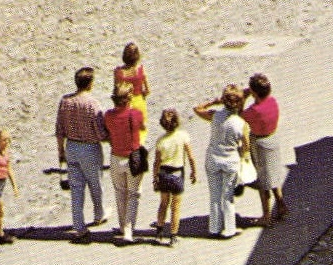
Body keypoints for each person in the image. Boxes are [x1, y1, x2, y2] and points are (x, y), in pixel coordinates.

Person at [57, 66, 109, 240]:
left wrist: (61, 152)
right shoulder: (92, 103)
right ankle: (98, 214)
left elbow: (59, 129)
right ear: (90, 83)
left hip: (71, 146)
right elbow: (100, 131)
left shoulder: (65, 101)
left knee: (76, 188)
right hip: (89, 148)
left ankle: (79, 225)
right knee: (95, 184)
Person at [194, 85, 252, 239]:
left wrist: (214, 101)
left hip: (213, 158)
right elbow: (246, 148)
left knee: (214, 195)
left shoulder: (214, 116)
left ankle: (214, 227)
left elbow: (197, 109)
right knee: (227, 196)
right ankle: (230, 229)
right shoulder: (242, 124)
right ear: (239, 103)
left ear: (224, 101)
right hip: (230, 161)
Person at [103, 84, 147, 243]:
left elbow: (107, 133)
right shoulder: (135, 114)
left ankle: (122, 226)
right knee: (133, 194)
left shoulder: (108, 115)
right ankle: (128, 230)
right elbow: (142, 127)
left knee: (120, 192)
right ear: (129, 98)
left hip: (116, 157)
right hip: (132, 157)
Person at [242, 74, 287, 227]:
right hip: (273, 139)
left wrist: (244, 96)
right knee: (273, 175)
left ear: (254, 92)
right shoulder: (273, 102)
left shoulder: (255, 110)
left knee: (263, 182)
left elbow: (240, 115)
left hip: (260, 143)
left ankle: (266, 216)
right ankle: (281, 204)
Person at [151, 109, 196, 245]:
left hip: (164, 173)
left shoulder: (161, 140)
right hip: (177, 173)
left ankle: (159, 232)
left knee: (163, 204)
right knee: (176, 206)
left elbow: (157, 162)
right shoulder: (183, 136)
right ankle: (173, 236)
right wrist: (194, 172)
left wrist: (155, 177)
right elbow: (191, 157)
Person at [114, 43, 150, 134]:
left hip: (124, 102)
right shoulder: (140, 70)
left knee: (126, 131)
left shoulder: (118, 72)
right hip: (139, 102)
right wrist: (143, 95)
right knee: (141, 132)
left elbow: (116, 90)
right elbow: (147, 90)